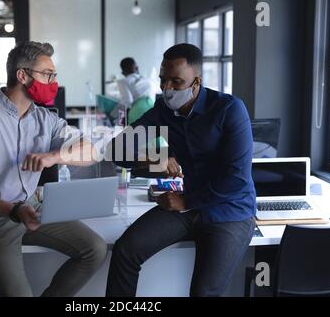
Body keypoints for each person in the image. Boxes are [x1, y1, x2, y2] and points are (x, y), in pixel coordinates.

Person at [0, 41, 107, 297]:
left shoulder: (44, 119)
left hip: (31, 209)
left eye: (54, 75)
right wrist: (13, 210)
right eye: (47, 74)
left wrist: (55, 156)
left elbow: (91, 150)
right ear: (22, 75)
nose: (53, 82)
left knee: (95, 249)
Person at [106, 43, 256, 297]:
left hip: (229, 210)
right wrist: (156, 159)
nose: (167, 88)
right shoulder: (163, 110)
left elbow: (236, 179)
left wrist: (186, 200)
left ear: (196, 81)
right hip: (187, 207)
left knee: (203, 292)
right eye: (163, 80)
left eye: (176, 82)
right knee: (125, 251)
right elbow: (116, 150)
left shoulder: (229, 109)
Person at [111, 58, 156, 125]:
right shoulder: (147, 80)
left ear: (123, 73)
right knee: (155, 133)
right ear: (137, 67)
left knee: (135, 134)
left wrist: (113, 114)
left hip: (138, 111)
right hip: (153, 109)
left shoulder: (123, 82)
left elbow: (127, 101)